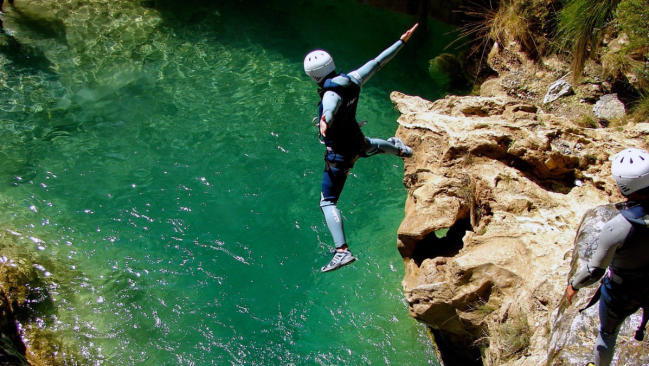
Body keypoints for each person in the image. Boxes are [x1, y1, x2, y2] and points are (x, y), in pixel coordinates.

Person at [303, 23, 418, 272]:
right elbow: (378, 62)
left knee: (327, 202)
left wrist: (326, 121)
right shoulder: (353, 79)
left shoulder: (329, 94)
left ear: (313, 76)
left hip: (339, 154)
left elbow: (331, 107)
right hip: (355, 140)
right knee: (367, 148)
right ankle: (402, 150)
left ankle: (341, 251)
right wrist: (401, 41)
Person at [564, 147, 649, 366]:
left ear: (623, 186)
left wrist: (574, 285)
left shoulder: (617, 227)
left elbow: (595, 271)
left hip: (622, 291)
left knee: (607, 334)